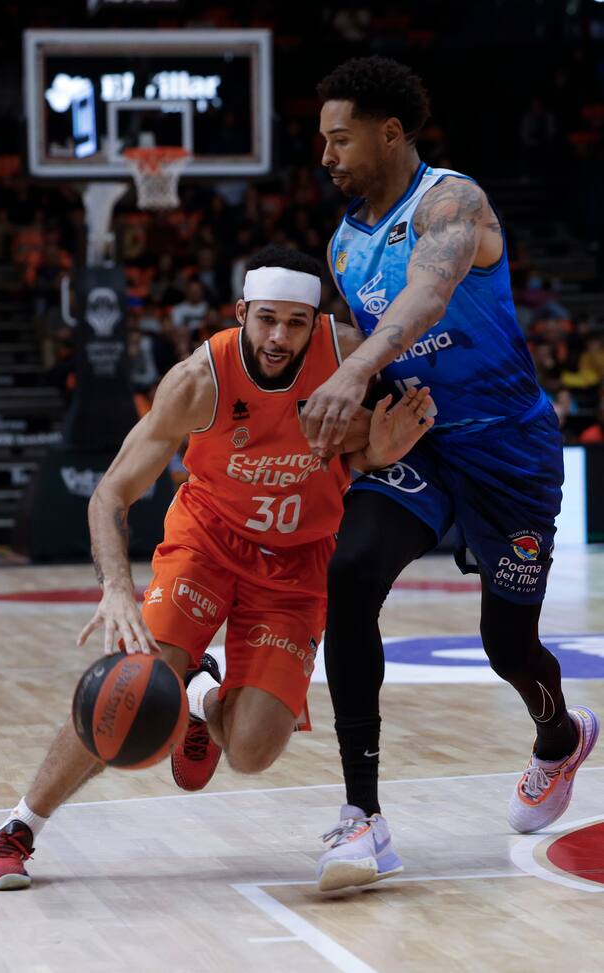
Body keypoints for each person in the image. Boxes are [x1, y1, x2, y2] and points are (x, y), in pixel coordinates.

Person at [0, 245, 434, 891]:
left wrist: (378, 458)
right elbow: (111, 493)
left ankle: (200, 699)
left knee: (252, 749)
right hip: (207, 544)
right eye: (266, 319)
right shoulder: (199, 380)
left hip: (298, 562)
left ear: (315, 322)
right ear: (241, 312)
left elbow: (380, 448)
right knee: (132, 681)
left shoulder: (351, 359)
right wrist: (115, 588)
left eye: (295, 323)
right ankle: (16, 828)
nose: (279, 336)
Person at [299, 56, 600, 892]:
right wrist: (363, 430)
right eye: (320, 139)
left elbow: (426, 300)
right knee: (351, 571)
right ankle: (364, 817)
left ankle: (558, 738)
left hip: (511, 453)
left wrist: (354, 368)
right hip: (424, 443)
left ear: (390, 131)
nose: (325, 155)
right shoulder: (343, 243)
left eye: (339, 137)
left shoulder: (453, 201)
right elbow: (391, 355)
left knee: (507, 643)